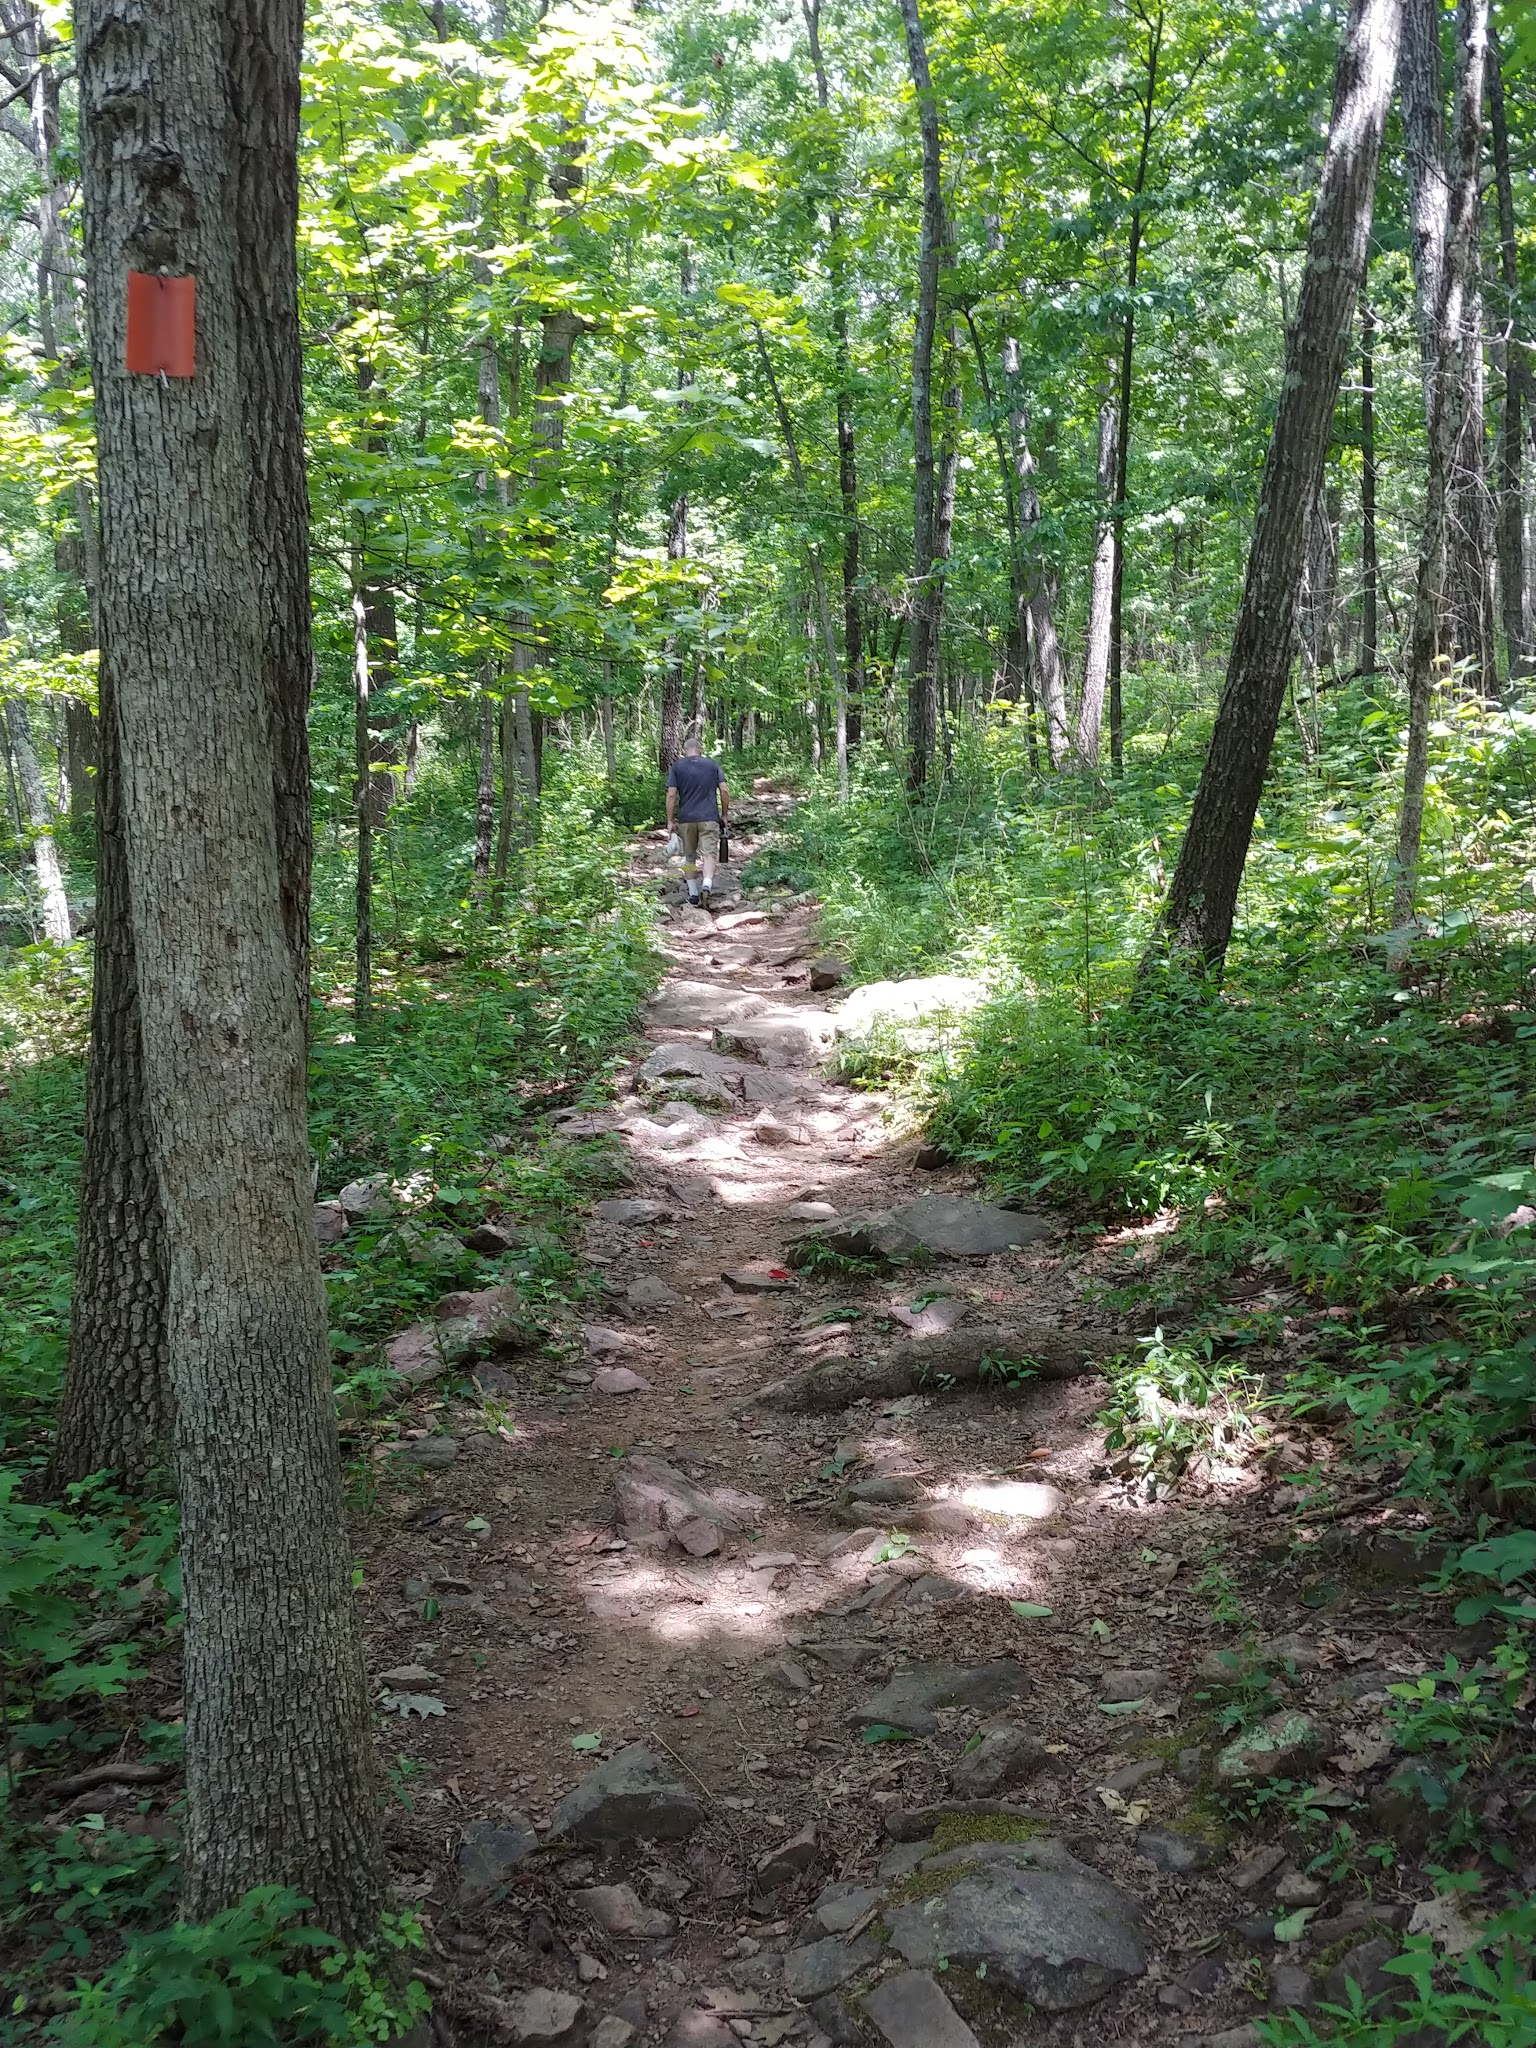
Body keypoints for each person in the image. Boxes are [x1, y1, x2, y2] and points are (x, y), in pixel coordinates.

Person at [665, 733, 729, 910]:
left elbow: (671, 794)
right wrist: (724, 814)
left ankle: (693, 894)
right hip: (709, 817)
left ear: (684, 751)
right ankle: (707, 884)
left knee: (690, 856)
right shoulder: (713, 765)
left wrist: (670, 821)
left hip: (686, 819)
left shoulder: (677, 767)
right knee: (709, 854)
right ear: (700, 750)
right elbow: (724, 791)